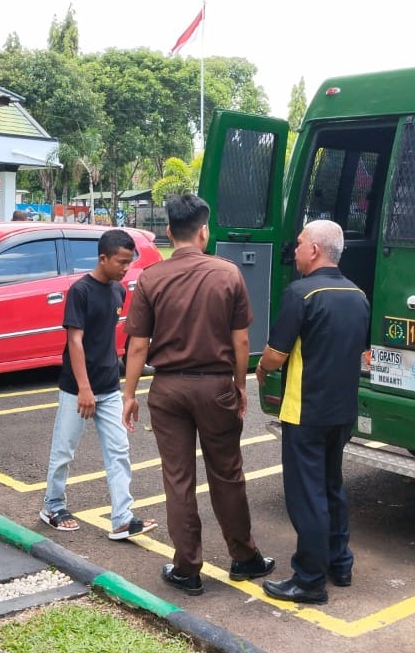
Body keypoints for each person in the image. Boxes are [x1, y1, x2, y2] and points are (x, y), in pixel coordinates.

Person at [122, 194, 273, 596]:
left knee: (178, 478)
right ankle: (244, 557)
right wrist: (240, 385)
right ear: (204, 230)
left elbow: (137, 345)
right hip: (215, 384)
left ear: (169, 232)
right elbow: (241, 342)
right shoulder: (228, 274)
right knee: (227, 473)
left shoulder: (151, 278)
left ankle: (187, 568)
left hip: (168, 388)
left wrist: (128, 395)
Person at [255, 220, 370, 605]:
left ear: (316, 250)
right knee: (332, 486)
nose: (296, 249)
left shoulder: (301, 294)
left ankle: (308, 581)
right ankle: (341, 564)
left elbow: (275, 354)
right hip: (342, 412)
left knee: (307, 497)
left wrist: (260, 370)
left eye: (300, 243)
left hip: (305, 411)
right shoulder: (358, 295)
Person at [40, 229, 158, 540]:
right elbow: (74, 342)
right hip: (77, 388)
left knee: (119, 451)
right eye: (121, 262)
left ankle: (122, 517)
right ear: (102, 258)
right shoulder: (80, 291)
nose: (125, 268)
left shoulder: (118, 291)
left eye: (129, 263)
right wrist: (84, 388)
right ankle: (53, 505)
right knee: (64, 450)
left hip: (108, 387)